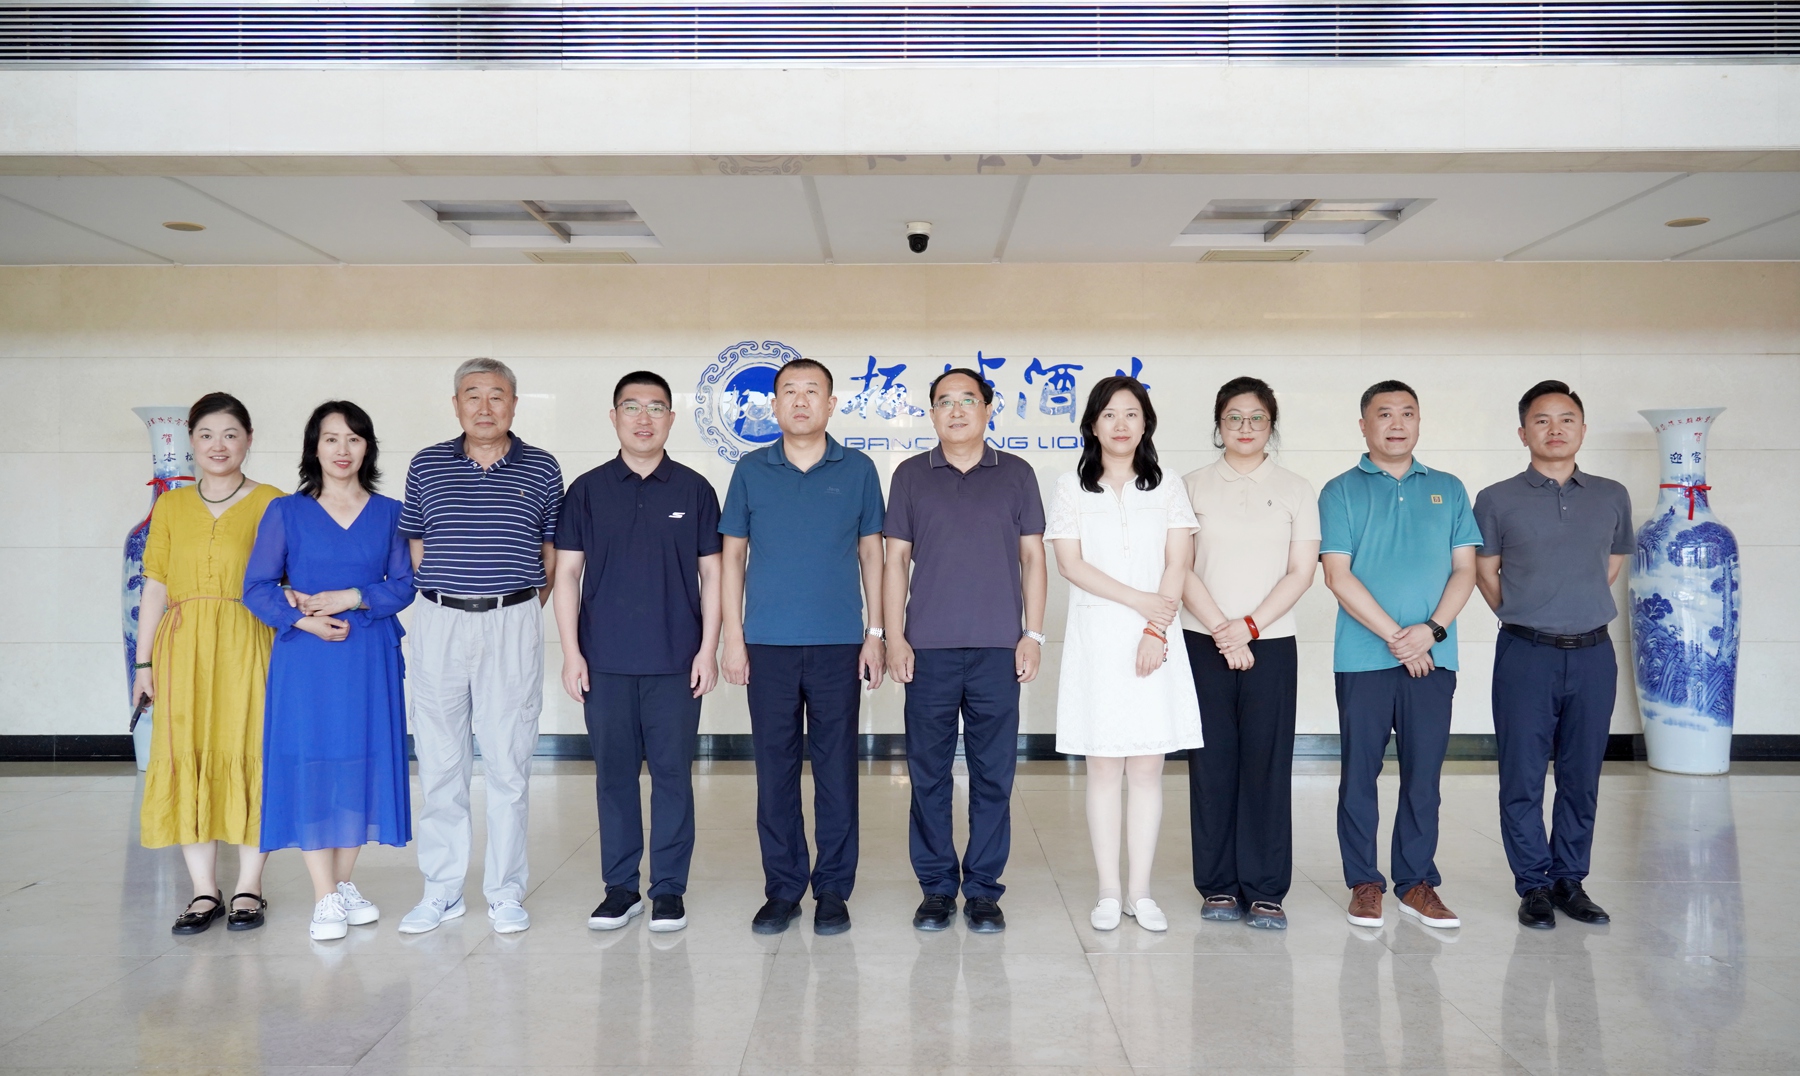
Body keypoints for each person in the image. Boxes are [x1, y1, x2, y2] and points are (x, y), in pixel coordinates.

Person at [397, 358, 564, 935]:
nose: (485, 407)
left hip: (511, 620)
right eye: (473, 396)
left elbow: (551, 554)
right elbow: (417, 545)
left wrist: (513, 608)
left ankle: (505, 891)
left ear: (514, 404)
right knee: (440, 762)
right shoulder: (427, 465)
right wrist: (450, 598)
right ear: (456, 404)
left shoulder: (542, 467)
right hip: (439, 622)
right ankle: (441, 890)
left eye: (497, 396)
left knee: (508, 763)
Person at [720, 358, 886, 936]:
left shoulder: (858, 469)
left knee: (837, 772)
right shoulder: (750, 470)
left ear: (831, 404)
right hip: (767, 644)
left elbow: (872, 554)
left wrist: (875, 634)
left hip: (840, 643)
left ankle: (833, 890)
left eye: (812, 391)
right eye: (789, 391)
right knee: (775, 771)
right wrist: (733, 637)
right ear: (773, 405)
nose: (800, 400)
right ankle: (783, 889)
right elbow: (732, 557)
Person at [553, 371, 723, 935]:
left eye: (655, 407)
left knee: (673, 777)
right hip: (604, 662)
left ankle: (668, 889)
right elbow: (567, 575)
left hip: (676, 661)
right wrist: (572, 653)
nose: (644, 418)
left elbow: (713, 575)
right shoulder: (586, 491)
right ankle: (621, 889)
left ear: (672, 418)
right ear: (614, 417)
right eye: (632, 407)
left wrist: (708, 649)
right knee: (614, 779)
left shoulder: (695, 489)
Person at [883, 368, 1048, 934]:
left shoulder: (1017, 474)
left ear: (988, 408)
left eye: (968, 400)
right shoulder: (910, 475)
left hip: (998, 649)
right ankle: (935, 888)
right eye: (944, 402)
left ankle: (982, 890)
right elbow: (894, 561)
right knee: (927, 774)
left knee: (992, 774)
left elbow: (1034, 559)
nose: (956, 411)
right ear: (931, 412)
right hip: (927, 650)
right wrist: (895, 636)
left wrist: (1033, 634)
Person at [244, 401, 415, 941]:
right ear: (313, 448)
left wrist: (354, 596)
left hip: (368, 653)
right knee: (314, 762)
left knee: (359, 762)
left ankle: (341, 885)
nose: (343, 450)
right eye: (331, 439)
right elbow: (256, 588)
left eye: (354, 439)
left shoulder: (391, 513)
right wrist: (303, 620)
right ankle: (323, 895)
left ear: (368, 448)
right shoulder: (286, 512)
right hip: (308, 656)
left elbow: (404, 585)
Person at [1319, 380, 1481, 930]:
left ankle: (1416, 883)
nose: (1396, 423)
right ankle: (1364, 883)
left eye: (1407, 413)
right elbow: (1337, 576)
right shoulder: (1340, 490)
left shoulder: (1449, 489)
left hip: (1434, 659)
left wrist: (1430, 632)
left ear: (1418, 423)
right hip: (1363, 659)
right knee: (1358, 775)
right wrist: (1399, 637)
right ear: (1363, 425)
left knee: (1423, 776)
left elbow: (1465, 569)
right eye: (1384, 414)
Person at [1046, 375, 1202, 934]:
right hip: (1098, 639)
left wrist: (1155, 629)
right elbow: (1070, 564)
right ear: (1092, 424)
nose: (1120, 424)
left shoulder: (1168, 485)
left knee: (1147, 768)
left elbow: (1179, 562)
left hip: (1156, 637)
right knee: (1104, 768)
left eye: (1131, 414)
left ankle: (1141, 892)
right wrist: (1141, 602)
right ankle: (1109, 892)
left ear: (1146, 424)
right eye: (1109, 414)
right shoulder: (1071, 486)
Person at [1474, 380, 1630, 929]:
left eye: (1567, 419)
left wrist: (1573, 607)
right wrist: (1526, 611)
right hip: (1526, 653)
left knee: (1580, 776)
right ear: (1523, 433)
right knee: (1521, 776)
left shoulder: (1611, 495)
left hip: (1593, 655)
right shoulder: (1496, 499)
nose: (1555, 429)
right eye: (1541, 420)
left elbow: (1610, 565)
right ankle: (1534, 885)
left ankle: (1570, 881)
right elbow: (1485, 573)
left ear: (1583, 429)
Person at [133, 392, 283, 934]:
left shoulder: (273, 502)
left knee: (250, 751)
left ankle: (249, 886)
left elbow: (289, 581)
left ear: (249, 440)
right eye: (206, 435)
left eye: (230, 434)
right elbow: (155, 587)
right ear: (191, 441)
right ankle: (204, 890)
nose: (218, 446)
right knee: (187, 753)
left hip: (250, 641)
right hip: (183, 648)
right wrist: (143, 665)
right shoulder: (171, 507)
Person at [1180, 376, 1319, 931]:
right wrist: (1222, 630)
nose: (1245, 427)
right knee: (1211, 765)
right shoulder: (1189, 487)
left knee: (1266, 764)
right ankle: (1217, 885)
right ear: (1219, 424)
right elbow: (1179, 567)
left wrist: (1250, 627)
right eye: (1234, 417)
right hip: (1202, 641)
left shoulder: (1296, 489)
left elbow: (1301, 571)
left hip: (1272, 643)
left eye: (1257, 417)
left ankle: (1264, 889)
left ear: (1271, 424)